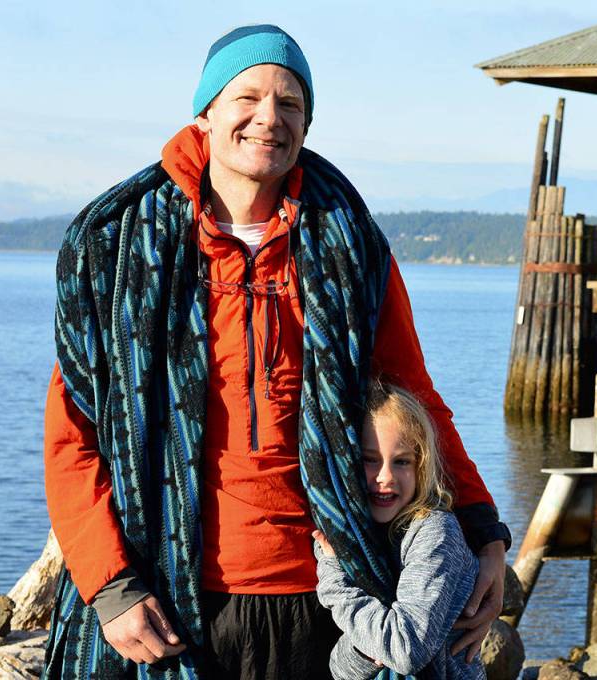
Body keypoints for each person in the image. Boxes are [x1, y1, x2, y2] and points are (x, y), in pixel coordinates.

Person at [43, 25, 510, 679]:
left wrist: (483, 530)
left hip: (332, 591)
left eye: (290, 103)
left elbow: (414, 400)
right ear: (205, 115)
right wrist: (110, 584)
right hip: (173, 595)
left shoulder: (350, 245)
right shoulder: (117, 250)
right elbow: (74, 435)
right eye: (248, 98)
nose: (269, 117)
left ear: (306, 125)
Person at [312, 381, 485, 680]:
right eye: (370, 460)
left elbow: (406, 651)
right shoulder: (353, 538)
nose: (386, 477)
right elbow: (341, 668)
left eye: (401, 461)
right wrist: (371, 647)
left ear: (421, 466)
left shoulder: (434, 532)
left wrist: (335, 584)